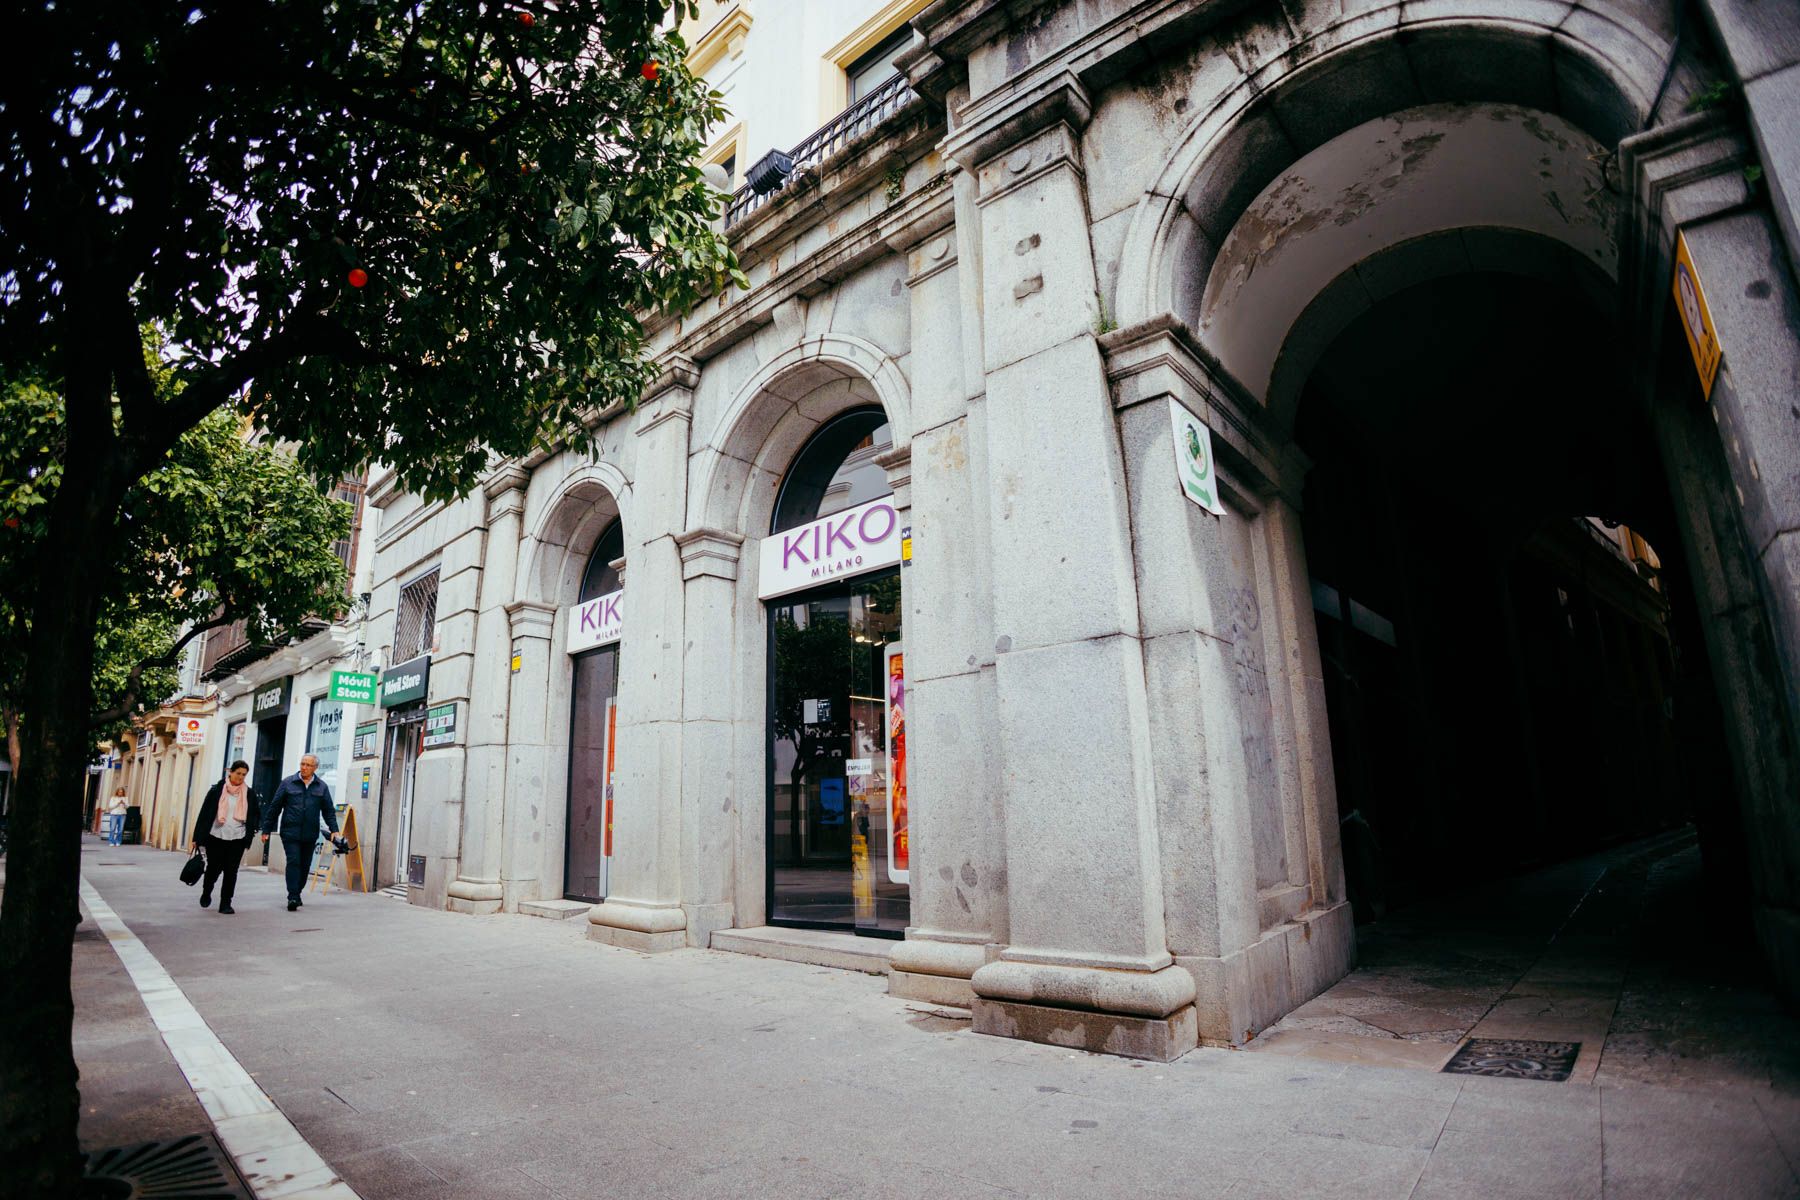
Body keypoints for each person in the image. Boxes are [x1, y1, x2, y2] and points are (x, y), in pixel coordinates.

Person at [260, 754, 340, 912]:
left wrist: (335, 830)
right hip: (290, 832)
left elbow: (328, 811)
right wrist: (266, 829)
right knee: (294, 862)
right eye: (302, 764)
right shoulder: (288, 783)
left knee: (304, 866)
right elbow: (275, 807)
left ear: (315, 768)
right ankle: (292, 896)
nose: (304, 767)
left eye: (308, 765)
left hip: (310, 833)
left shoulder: (321, 787)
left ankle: (297, 892)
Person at [190, 760, 260, 915]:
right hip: (216, 836)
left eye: (244, 775)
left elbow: (255, 814)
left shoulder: (249, 793)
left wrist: (251, 830)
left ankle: (226, 903)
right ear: (230, 772)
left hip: (237, 838)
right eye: (238, 773)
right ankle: (207, 891)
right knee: (213, 870)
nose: (240, 777)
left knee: (231, 871)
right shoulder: (216, 790)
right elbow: (204, 814)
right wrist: (197, 837)